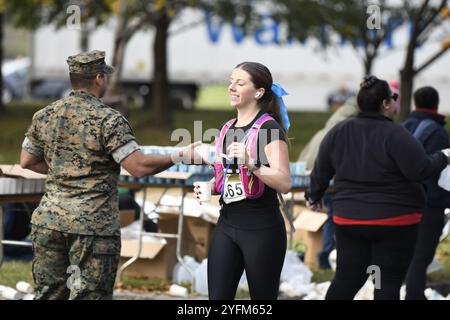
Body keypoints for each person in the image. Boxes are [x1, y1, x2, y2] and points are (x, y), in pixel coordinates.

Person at [20, 50, 200, 300]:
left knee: (50, 294)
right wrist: (180, 156)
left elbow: (27, 161)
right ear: (98, 78)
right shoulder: (109, 120)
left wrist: (67, 170)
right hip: (93, 227)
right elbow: (138, 167)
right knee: (90, 295)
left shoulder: (45, 115)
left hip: (48, 222)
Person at [306, 75, 450, 300]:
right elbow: (419, 170)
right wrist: (442, 158)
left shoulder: (339, 131)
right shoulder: (396, 134)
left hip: (349, 220)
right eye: (392, 98)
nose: (395, 103)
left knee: (347, 278)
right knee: (386, 283)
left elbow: (321, 170)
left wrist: (313, 196)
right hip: (394, 222)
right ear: (385, 104)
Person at [193, 62, 292, 300]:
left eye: (240, 83)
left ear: (258, 92)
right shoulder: (227, 128)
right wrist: (211, 188)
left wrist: (253, 163)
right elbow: (229, 179)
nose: (232, 87)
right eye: (230, 81)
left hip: (262, 229)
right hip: (227, 224)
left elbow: (285, 183)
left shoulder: (270, 129)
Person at [300, 80, 401, 269]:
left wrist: (313, 194)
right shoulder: (350, 129)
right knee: (334, 218)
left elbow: (320, 167)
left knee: (333, 217)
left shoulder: (336, 124)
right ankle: (329, 255)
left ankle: (330, 256)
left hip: (332, 185)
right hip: (348, 196)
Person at [402, 86, 450, 300]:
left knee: (409, 254)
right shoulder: (437, 132)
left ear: (415, 103)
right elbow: (442, 175)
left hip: (403, 202)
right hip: (429, 204)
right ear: (436, 104)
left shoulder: (404, 128)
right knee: (421, 257)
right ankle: (415, 296)